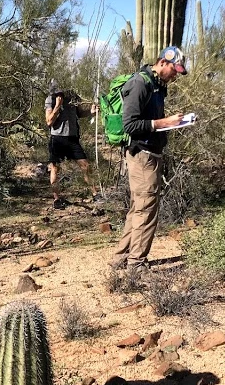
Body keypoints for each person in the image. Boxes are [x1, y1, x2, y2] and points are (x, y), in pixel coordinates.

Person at [110, 46, 188, 271]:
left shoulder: (157, 85)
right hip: (142, 155)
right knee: (146, 209)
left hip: (150, 154)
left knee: (138, 207)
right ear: (163, 62)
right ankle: (137, 264)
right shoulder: (140, 83)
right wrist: (164, 123)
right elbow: (130, 125)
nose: (175, 76)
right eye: (175, 70)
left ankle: (121, 258)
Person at [44, 82, 101, 209]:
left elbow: (79, 113)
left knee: (85, 166)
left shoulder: (72, 96)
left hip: (72, 139)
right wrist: (57, 106)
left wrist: (91, 112)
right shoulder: (50, 99)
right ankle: (57, 199)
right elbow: (49, 121)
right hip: (57, 138)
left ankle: (95, 194)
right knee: (55, 168)